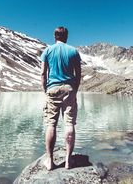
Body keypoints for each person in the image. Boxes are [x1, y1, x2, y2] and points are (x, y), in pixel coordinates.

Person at [40, 26, 81, 170]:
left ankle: (50, 161)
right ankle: (68, 161)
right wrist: (75, 89)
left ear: (54, 36)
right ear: (67, 36)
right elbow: (78, 74)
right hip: (69, 88)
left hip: (52, 89)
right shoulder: (73, 51)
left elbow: (43, 73)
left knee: (51, 124)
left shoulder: (47, 51)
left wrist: (45, 90)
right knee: (69, 124)